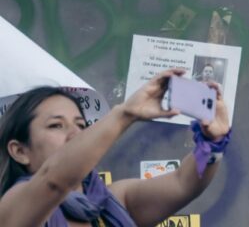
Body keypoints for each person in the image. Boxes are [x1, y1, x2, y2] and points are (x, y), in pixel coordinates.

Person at [0, 68, 231, 227]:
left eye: (81, 125)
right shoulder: (13, 208)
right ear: (20, 151)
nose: (74, 134)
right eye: (55, 125)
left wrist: (212, 144)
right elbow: (54, 180)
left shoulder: (114, 201)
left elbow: (183, 183)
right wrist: (124, 114)